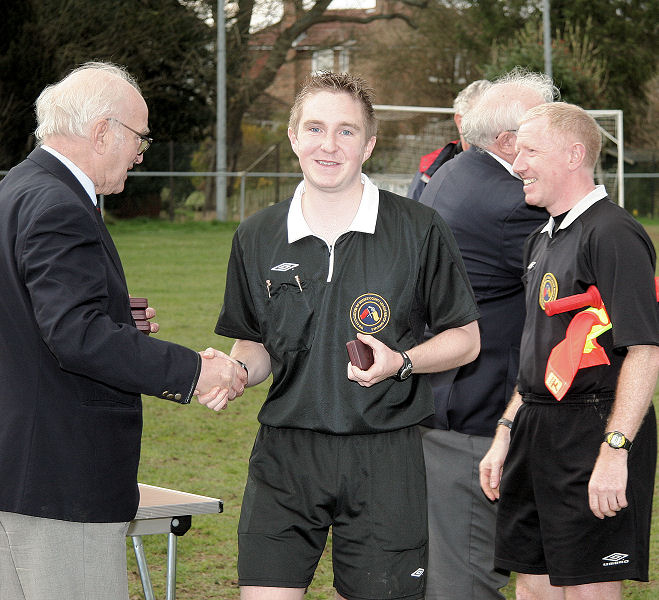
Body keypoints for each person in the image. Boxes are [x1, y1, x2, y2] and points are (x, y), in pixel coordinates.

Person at [199, 71, 481, 600]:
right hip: (286, 453)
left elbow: (466, 338)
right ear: (293, 137)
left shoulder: (418, 227)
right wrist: (238, 371)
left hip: (385, 455)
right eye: (315, 128)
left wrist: (401, 362)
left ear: (369, 144)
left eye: (347, 131)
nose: (328, 145)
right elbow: (253, 342)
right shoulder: (257, 233)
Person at [0, 62, 244, 600]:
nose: (141, 153)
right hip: (59, 484)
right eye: (140, 137)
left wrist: (111, 316)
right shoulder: (58, 204)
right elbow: (75, 336)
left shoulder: (15, 188)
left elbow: (28, 315)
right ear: (103, 131)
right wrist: (196, 371)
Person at [479, 102, 659, 599]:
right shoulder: (541, 238)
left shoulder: (614, 233)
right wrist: (505, 430)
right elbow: (539, 355)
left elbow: (645, 350)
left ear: (575, 154)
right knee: (533, 584)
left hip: (592, 429)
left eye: (531, 150)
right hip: (536, 427)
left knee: (588, 588)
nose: (517, 164)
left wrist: (615, 450)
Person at [417, 68, 558, 600]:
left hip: (454, 407)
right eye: (542, 125)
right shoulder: (511, 203)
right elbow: (586, 270)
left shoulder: (457, 171)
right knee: (469, 579)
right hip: (480, 421)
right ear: (506, 141)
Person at [407, 79, 491, 200]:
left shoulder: (516, 165)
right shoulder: (433, 166)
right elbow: (412, 212)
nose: (489, 128)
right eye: (479, 120)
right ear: (459, 121)